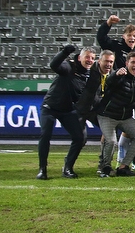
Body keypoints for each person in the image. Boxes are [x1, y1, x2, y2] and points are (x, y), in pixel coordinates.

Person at [83, 51, 135, 178]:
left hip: (125, 117)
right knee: (112, 141)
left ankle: (124, 167)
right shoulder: (118, 74)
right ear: (127, 63)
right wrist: (116, 75)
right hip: (107, 115)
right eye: (133, 62)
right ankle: (105, 167)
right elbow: (109, 82)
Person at [38, 45, 94, 180]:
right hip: (50, 107)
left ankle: (68, 167)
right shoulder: (69, 66)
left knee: (80, 137)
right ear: (79, 57)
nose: (90, 60)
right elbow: (54, 65)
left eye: (93, 58)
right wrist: (64, 52)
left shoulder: (90, 74)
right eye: (87, 57)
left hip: (68, 110)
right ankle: (42, 169)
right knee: (45, 135)